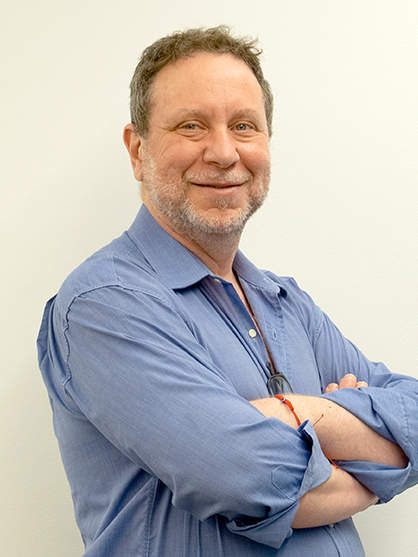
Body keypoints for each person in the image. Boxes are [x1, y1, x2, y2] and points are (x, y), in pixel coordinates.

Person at [37, 26, 418, 556]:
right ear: (137, 149)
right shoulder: (105, 303)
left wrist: (304, 411)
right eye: (191, 126)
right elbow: (252, 478)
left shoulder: (286, 304)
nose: (223, 152)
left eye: (243, 126)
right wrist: (371, 470)